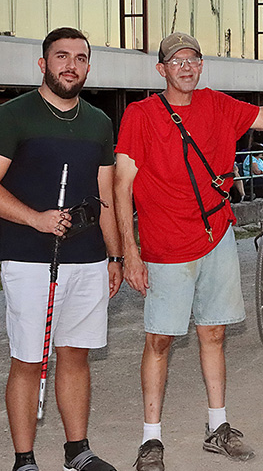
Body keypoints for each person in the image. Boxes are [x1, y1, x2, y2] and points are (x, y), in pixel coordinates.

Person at [114, 32, 263, 470]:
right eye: (176, 60)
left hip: (216, 235)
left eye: (193, 59)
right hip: (164, 245)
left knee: (214, 332)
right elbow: (122, 185)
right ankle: (151, 439)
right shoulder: (140, 115)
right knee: (159, 340)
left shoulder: (218, 104)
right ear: (161, 69)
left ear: (201, 66)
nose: (185, 66)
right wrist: (130, 252)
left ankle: (217, 426)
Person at [0, 27, 122, 471]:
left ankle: (78, 451)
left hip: (87, 258)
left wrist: (116, 255)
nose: (71, 65)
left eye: (80, 58)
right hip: (29, 258)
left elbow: (105, 194)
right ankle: (25, 459)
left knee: (75, 355)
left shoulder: (99, 121)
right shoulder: (14, 115)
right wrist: (36, 218)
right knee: (29, 359)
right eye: (61, 56)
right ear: (43, 63)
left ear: (88, 66)